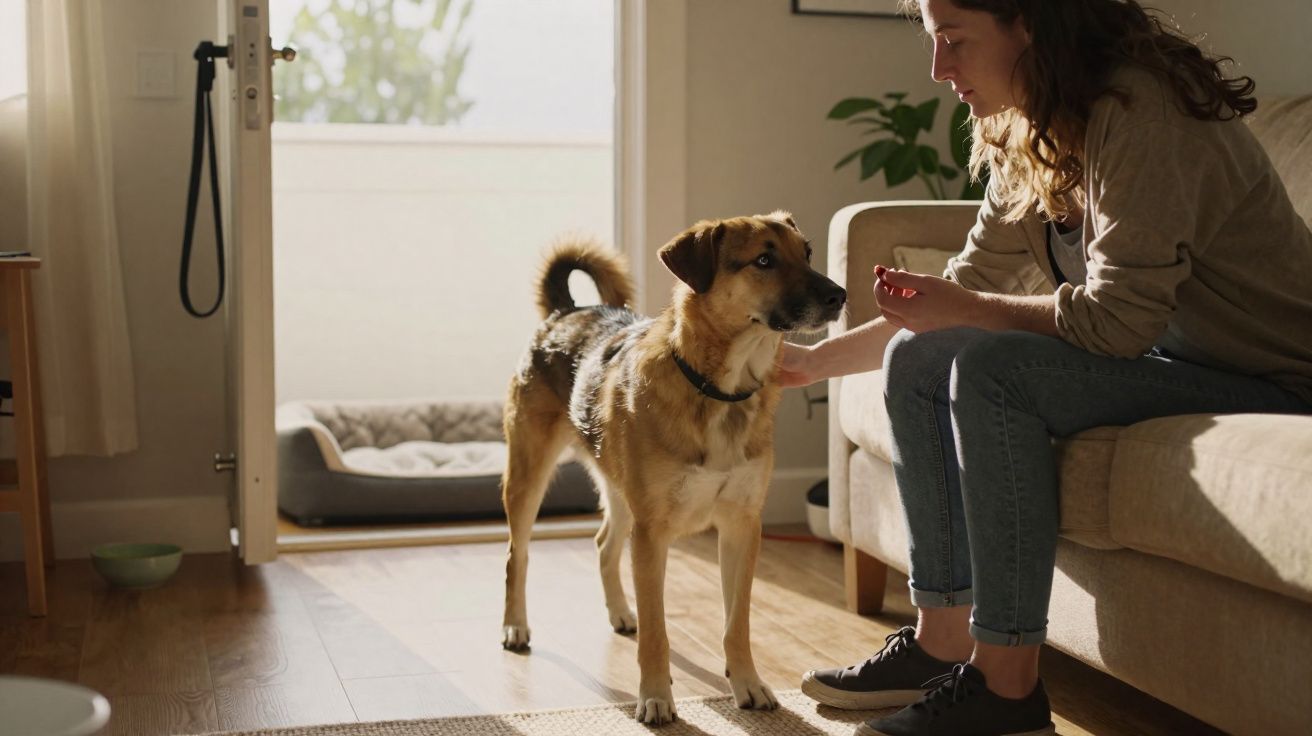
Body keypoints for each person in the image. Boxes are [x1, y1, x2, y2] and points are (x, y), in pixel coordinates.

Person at [782, 1, 1312, 734]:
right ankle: (942, 644)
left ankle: (1007, 693)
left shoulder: (1140, 113)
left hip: (1277, 380)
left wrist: (962, 306)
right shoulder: (1026, 125)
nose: (940, 70)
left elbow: (1115, 321)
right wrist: (807, 364)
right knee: (921, 354)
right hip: (1175, 359)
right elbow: (951, 299)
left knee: (997, 369)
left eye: (955, 42)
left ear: (1027, 22)